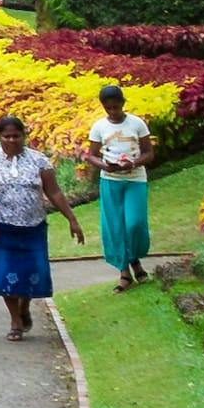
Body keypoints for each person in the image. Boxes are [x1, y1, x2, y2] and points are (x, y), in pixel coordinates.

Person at [0, 115, 59, 338]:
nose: (11, 140)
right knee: (4, 273)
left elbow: (54, 191)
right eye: (6, 136)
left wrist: (72, 220)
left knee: (30, 273)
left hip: (33, 227)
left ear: (23, 136)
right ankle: (15, 321)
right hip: (0, 227)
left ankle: (24, 306)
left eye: (16, 136)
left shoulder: (39, 161)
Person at [85, 83, 155, 284]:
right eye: (108, 108)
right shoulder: (99, 127)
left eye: (116, 106)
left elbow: (149, 153)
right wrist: (105, 166)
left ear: (123, 103)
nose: (113, 111)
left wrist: (133, 163)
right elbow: (91, 155)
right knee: (115, 226)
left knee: (134, 223)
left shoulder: (137, 124)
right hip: (111, 180)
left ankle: (135, 259)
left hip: (135, 179)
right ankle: (125, 270)